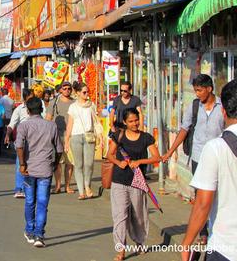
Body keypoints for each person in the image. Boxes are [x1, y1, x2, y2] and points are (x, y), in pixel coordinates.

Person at [181, 79, 237, 261]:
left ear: (223, 110)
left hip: (225, 251)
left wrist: (187, 243)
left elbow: (202, 204)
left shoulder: (215, 148)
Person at [162, 74, 224, 243]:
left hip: (218, 157)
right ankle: (203, 232)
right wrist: (170, 151)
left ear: (209, 89)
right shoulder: (195, 106)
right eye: (195, 90)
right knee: (201, 195)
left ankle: (217, 228)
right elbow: (184, 129)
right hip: (198, 157)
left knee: (218, 193)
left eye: (199, 90)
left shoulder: (222, 107)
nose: (197, 93)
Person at [107, 108, 160, 261]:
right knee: (120, 216)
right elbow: (109, 154)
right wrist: (119, 162)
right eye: (130, 121)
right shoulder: (119, 136)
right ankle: (121, 249)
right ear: (124, 122)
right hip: (119, 181)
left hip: (137, 182)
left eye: (136, 120)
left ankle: (139, 241)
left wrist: (140, 162)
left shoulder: (146, 138)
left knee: (138, 215)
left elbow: (156, 157)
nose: (134, 123)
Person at [15, 97, 63, 248]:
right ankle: (39, 235)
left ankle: (30, 230)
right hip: (45, 169)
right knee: (42, 203)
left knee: (30, 201)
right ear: (42, 109)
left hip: (29, 169)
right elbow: (60, 149)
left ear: (28, 111)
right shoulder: (51, 126)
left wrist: (22, 164)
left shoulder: (24, 126)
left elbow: (19, 147)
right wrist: (55, 163)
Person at [65, 81, 102, 200]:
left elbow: (96, 121)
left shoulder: (91, 105)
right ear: (78, 93)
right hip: (75, 136)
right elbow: (69, 125)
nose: (87, 94)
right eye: (84, 92)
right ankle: (81, 191)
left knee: (89, 164)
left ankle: (87, 185)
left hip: (89, 135)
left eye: (87, 92)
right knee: (78, 165)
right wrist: (66, 140)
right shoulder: (73, 107)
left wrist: (100, 136)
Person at [46, 81, 75, 194]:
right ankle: (58, 185)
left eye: (69, 88)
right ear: (60, 90)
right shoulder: (54, 102)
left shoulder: (74, 103)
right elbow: (48, 118)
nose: (67, 90)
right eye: (65, 88)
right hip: (56, 135)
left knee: (69, 162)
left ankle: (67, 186)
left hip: (71, 135)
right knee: (57, 162)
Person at [5, 88, 32, 198]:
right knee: (20, 163)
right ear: (25, 98)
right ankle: (19, 188)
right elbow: (12, 124)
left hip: (35, 140)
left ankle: (29, 187)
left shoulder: (38, 107)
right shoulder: (19, 109)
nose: (32, 99)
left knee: (32, 164)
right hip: (22, 140)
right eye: (30, 97)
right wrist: (7, 134)